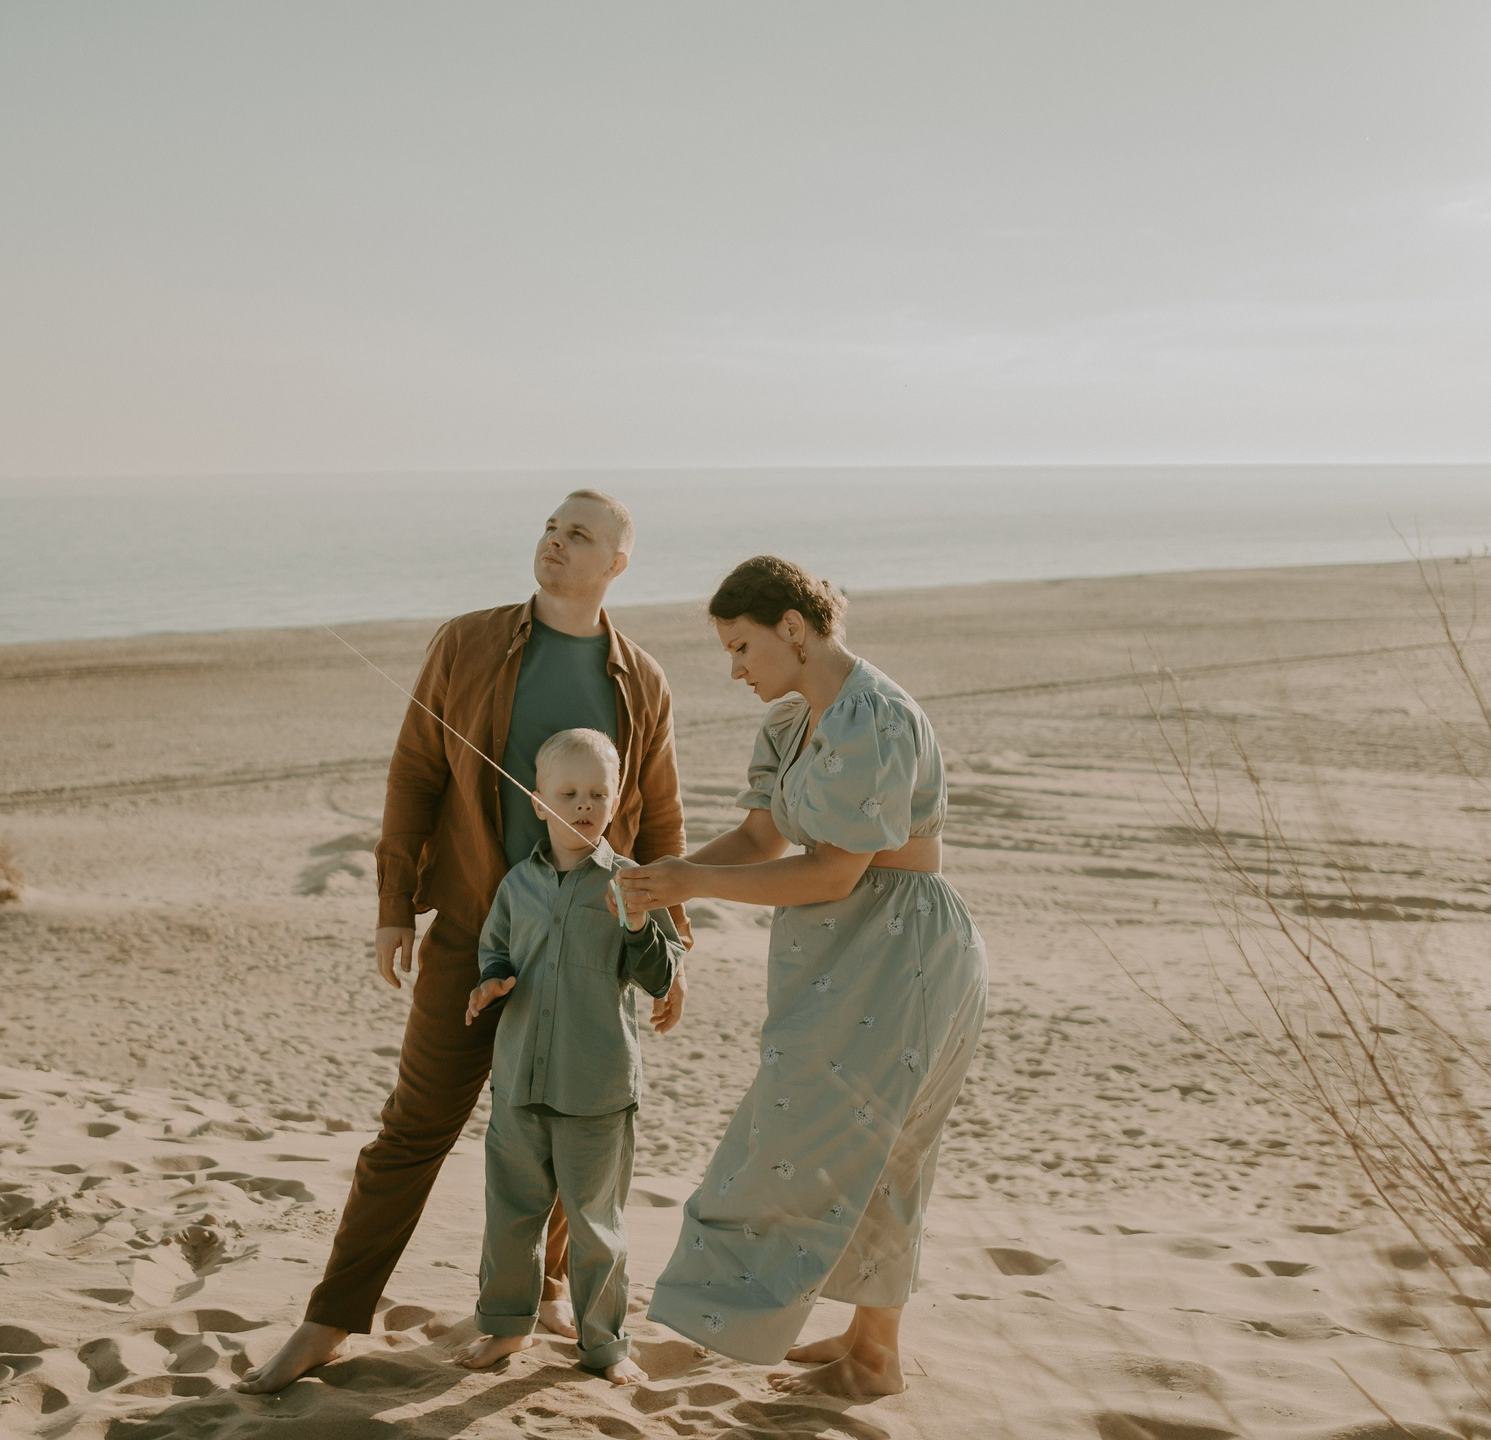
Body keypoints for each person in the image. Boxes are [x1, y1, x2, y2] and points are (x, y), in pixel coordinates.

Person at [238, 490, 690, 1393]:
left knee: (572, 1123)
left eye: (579, 535)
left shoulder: (641, 679)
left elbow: (660, 814)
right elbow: (414, 773)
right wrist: (393, 905)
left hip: (590, 946)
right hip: (472, 934)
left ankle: (549, 1291)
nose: (554, 541)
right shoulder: (467, 642)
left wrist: (673, 941)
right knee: (412, 1130)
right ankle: (330, 1319)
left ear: (616, 563)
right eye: (551, 527)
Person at [615, 555, 987, 1400]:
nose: (735, 669)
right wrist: (666, 878)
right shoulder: (791, 723)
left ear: (793, 627)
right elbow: (760, 842)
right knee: (868, 1149)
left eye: (742, 647)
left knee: (811, 1141)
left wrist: (693, 885)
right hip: (835, 956)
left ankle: (836, 1348)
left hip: (902, 949)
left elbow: (833, 872)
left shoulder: (875, 716)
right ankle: (869, 1345)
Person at [452, 728, 684, 1385]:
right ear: (538, 801)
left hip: (597, 1087)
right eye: (568, 793)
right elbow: (496, 948)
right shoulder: (518, 884)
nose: (583, 804)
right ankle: (506, 1327)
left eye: (597, 794)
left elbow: (662, 975)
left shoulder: (631, 881)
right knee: (511, 1216)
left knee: (596, 1227)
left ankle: (606, 1346)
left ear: (616, 801)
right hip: (519, 1080)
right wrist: (491, 980)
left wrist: (637, 925)